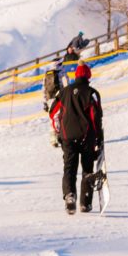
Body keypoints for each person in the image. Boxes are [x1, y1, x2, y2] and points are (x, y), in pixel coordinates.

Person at [49, 63, 104, 214]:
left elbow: (52, 111)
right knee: (87, 168)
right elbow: (96, 116)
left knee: (69, 167)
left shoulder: (64, 92)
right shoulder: (92, 93)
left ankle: (69, 196)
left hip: (67, 136)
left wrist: (58, 129)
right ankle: (85, 203)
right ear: (88, 76)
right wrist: (99, 137)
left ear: (76, 76)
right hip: (87, 136)